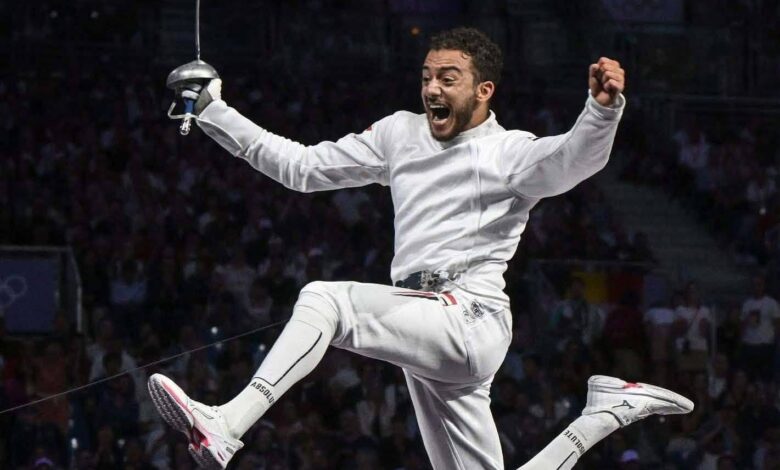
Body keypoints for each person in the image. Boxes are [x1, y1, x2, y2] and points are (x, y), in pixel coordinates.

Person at [148, 28, 693, 469]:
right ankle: (603, 415)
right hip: (424, 326)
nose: (432, 88)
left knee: (327, 300)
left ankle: (227, 424)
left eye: (448, 79)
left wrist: (600, 112)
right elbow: (302, 168)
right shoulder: (399, 134)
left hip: (469, 320)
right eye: (427, 77)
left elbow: (574, 160)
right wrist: (212, 109)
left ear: (483, 91)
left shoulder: (509, 153)